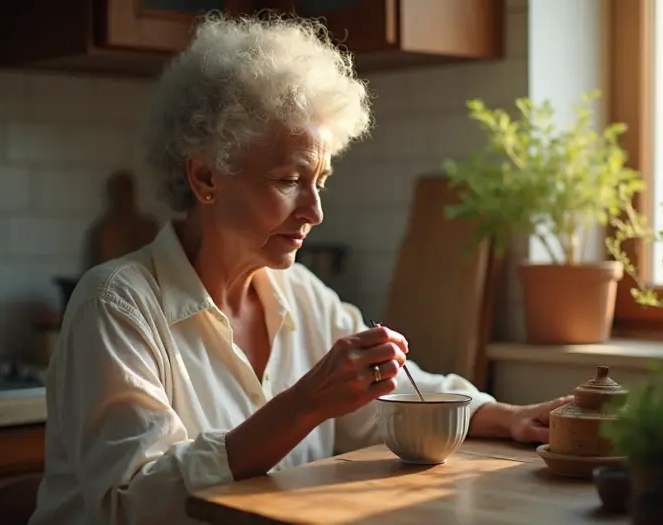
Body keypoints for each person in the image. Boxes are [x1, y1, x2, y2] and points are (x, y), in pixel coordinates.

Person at [28, 13, 571, 525]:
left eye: (320, 181)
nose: (315, 211)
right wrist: (304, 403)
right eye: (289, 180)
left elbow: (393, 398)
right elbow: (132, 503)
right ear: (206, 180)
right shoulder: (117, 304)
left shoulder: (301, 294)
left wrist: (506, 415)